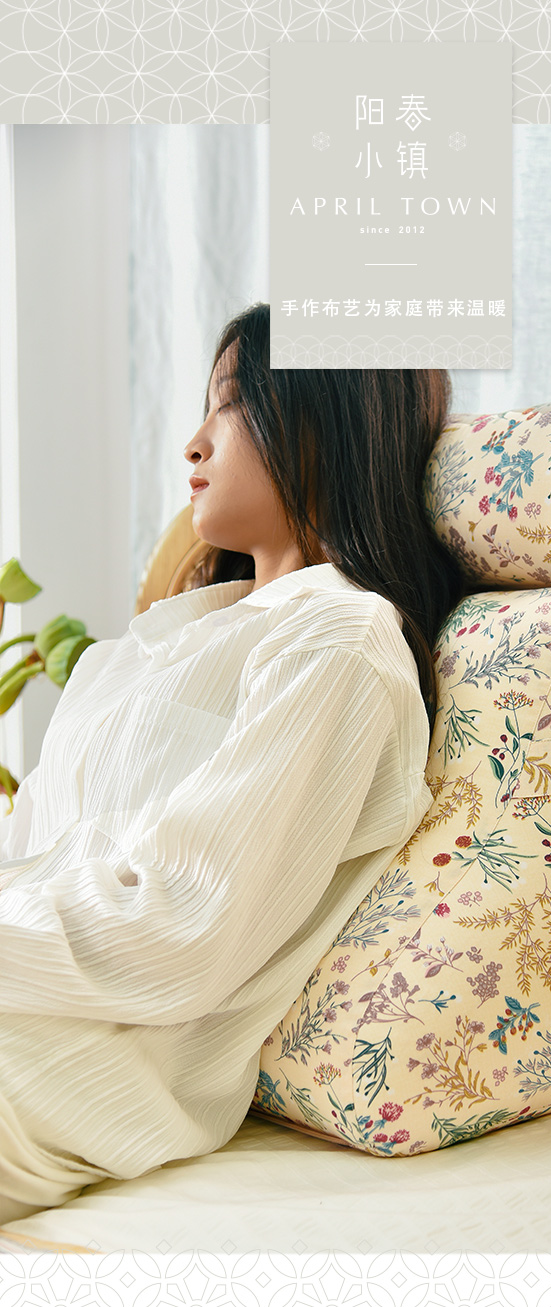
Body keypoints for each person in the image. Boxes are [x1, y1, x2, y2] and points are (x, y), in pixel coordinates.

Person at [0, 303, 464, 1224]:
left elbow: (184, 925)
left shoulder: (339, 644)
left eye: (230, 402)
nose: (194, 441)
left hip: (80, 1063)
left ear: (325, 424)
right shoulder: (152, 644)